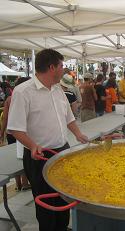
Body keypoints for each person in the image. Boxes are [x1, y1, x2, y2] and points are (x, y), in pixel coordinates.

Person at [7, 48, 88, 231]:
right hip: (40, 156)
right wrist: (32, 145)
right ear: (52, 67)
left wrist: (78, 134)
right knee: (46, 203)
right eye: (62, 66)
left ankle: (62, 227)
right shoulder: (23, 91)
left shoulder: (58, 89)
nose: (64, 69)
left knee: (63, 196)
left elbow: (68, 117)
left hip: (62, 152)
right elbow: (15, 128)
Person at [0, 77, 31, 191]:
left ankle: (18, 185)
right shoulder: (26, 97)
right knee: (23, 156)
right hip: (22, 132)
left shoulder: (9, 99)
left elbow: (5, 118)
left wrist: (2, 132)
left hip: (10, 132)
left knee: (17, 158)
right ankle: (25, 183)